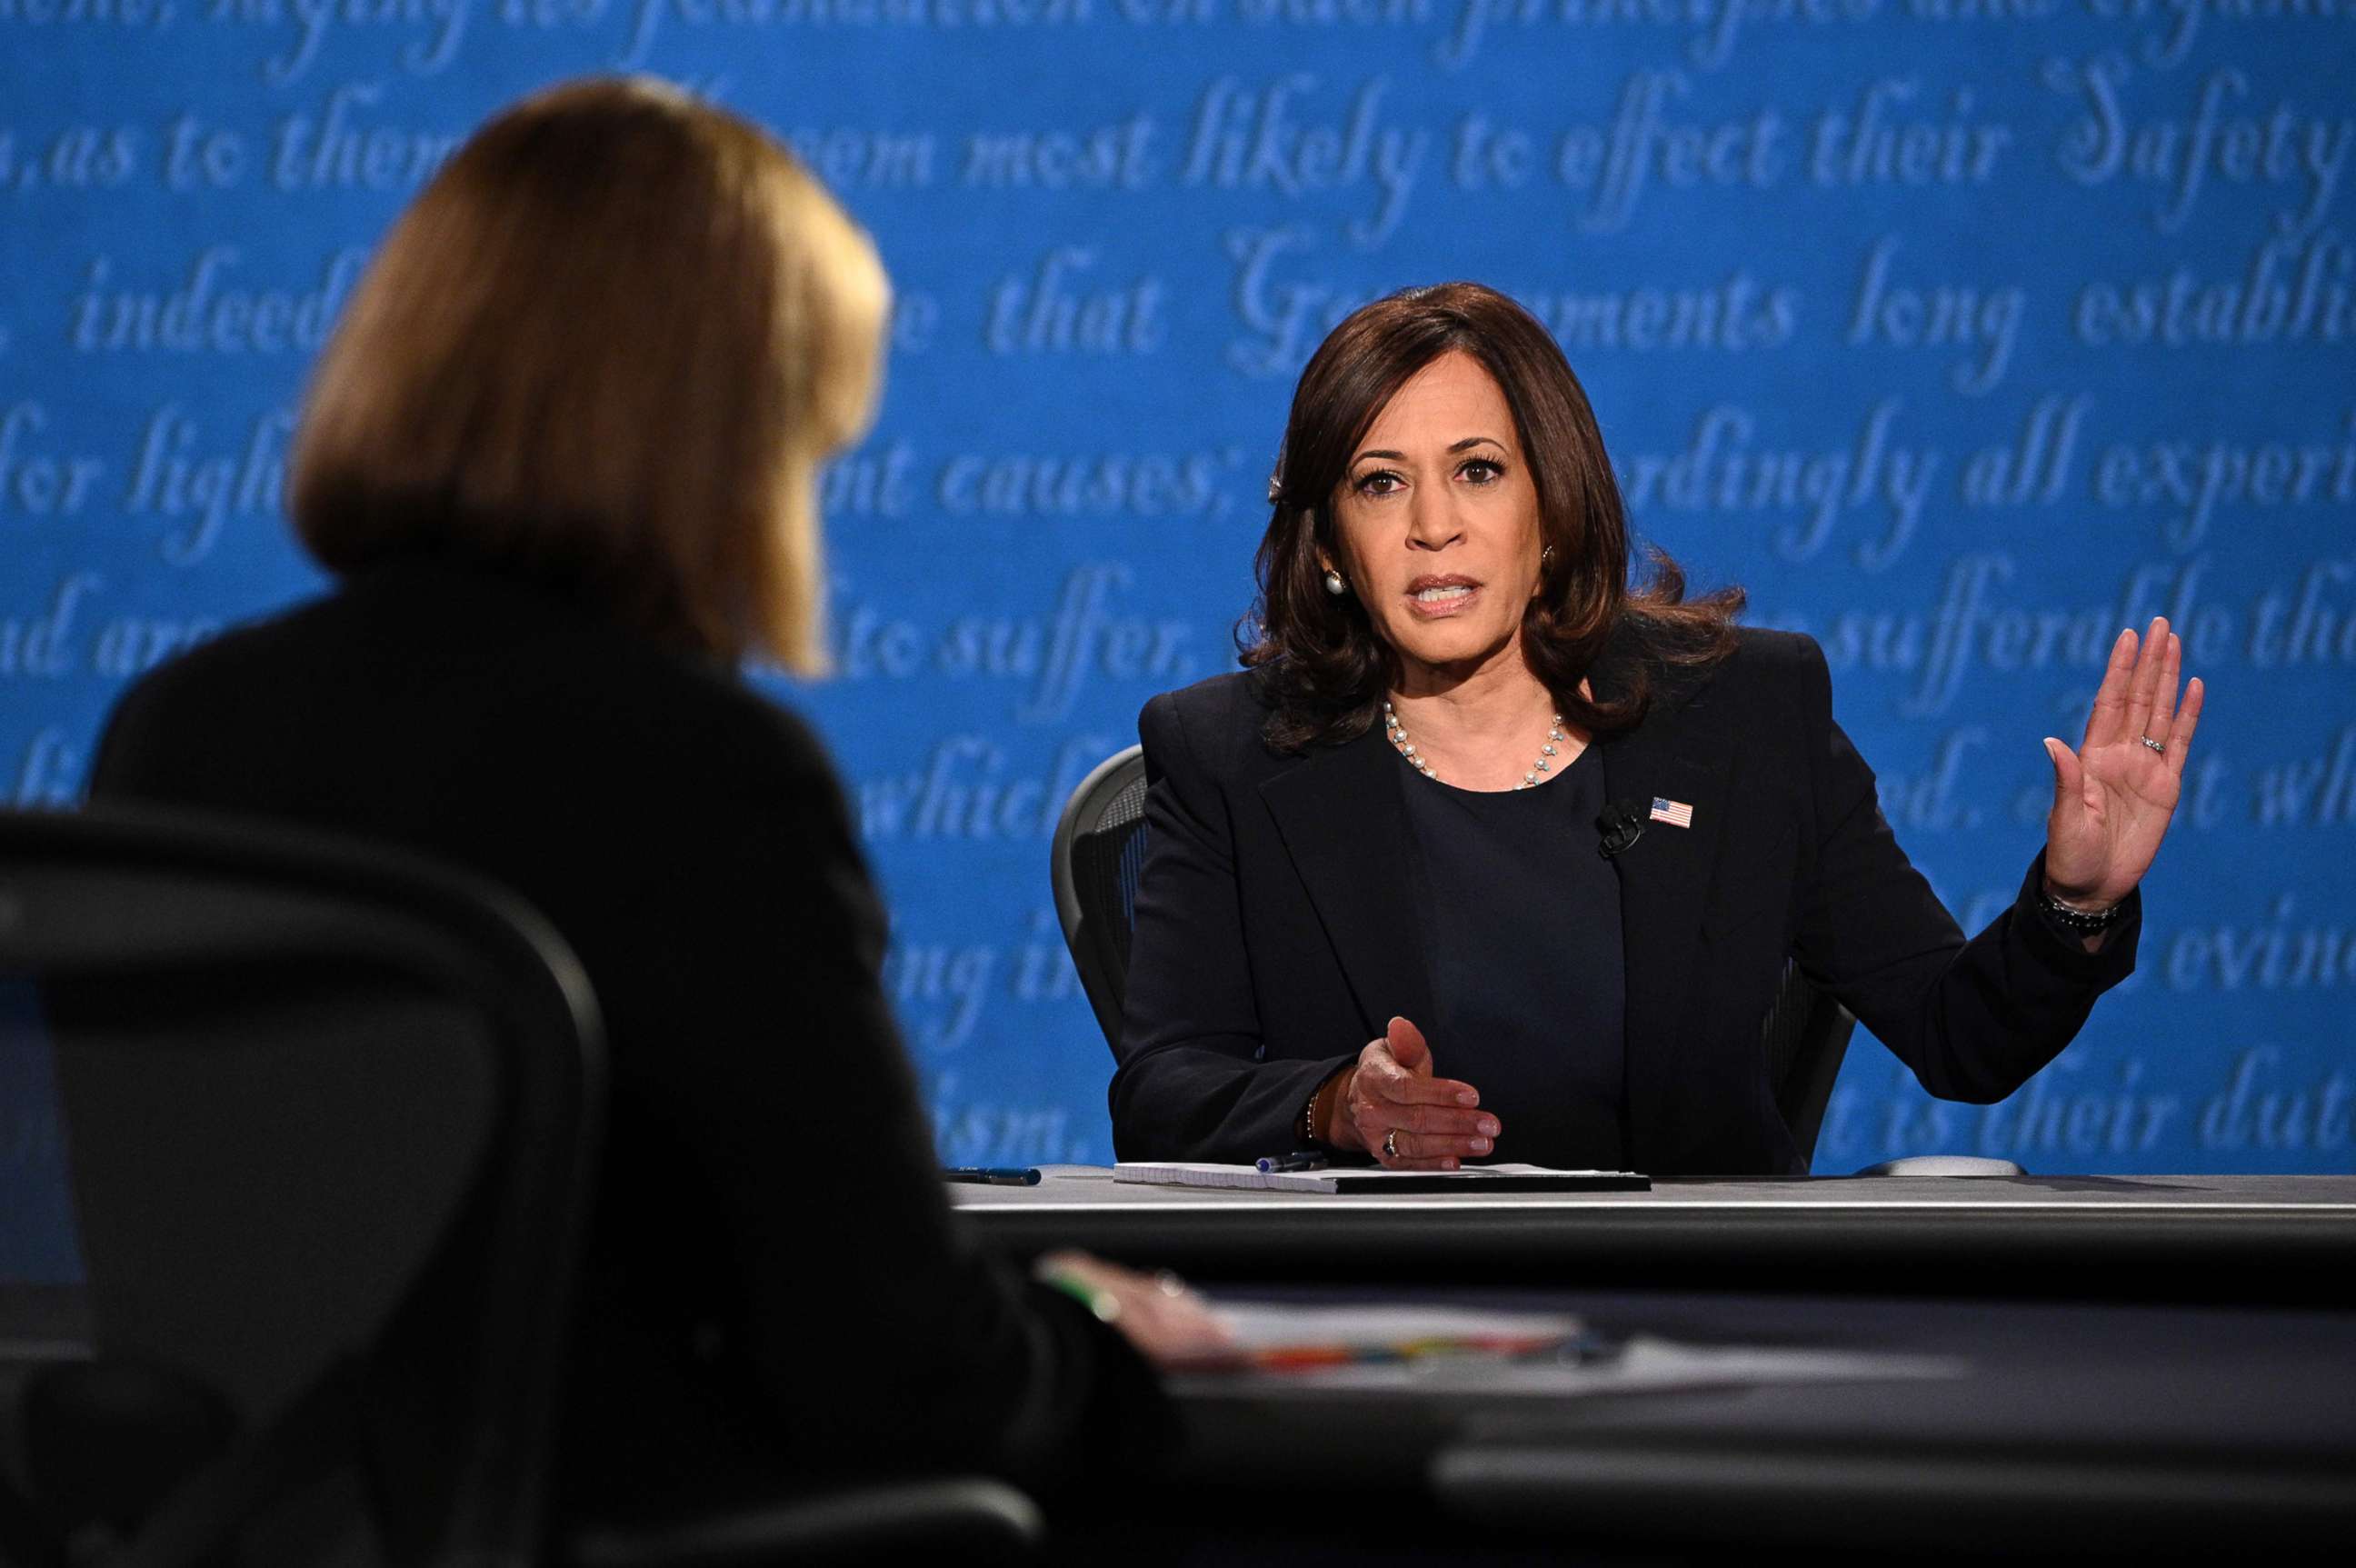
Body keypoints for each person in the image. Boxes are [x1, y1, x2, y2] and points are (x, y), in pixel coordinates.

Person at [85, 78, 1219, 1518]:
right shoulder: (702, 775)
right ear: (723, 440)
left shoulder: (172, 733)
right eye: (803, 441)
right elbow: (890, 1369)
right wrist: (1103, 1340)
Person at [1110, 282, 2204, 1176]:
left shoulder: (1743, 716)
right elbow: (1163, 1094)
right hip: (1391, 1314)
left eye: (1478, 472)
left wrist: (2076, 904)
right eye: (1380, 483)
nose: (1433, 526)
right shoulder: (1230, 754)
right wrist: (1335, 1105)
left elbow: (1961, 1036)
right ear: (1334, 548)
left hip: (1701, 1301)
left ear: (1551, 510)